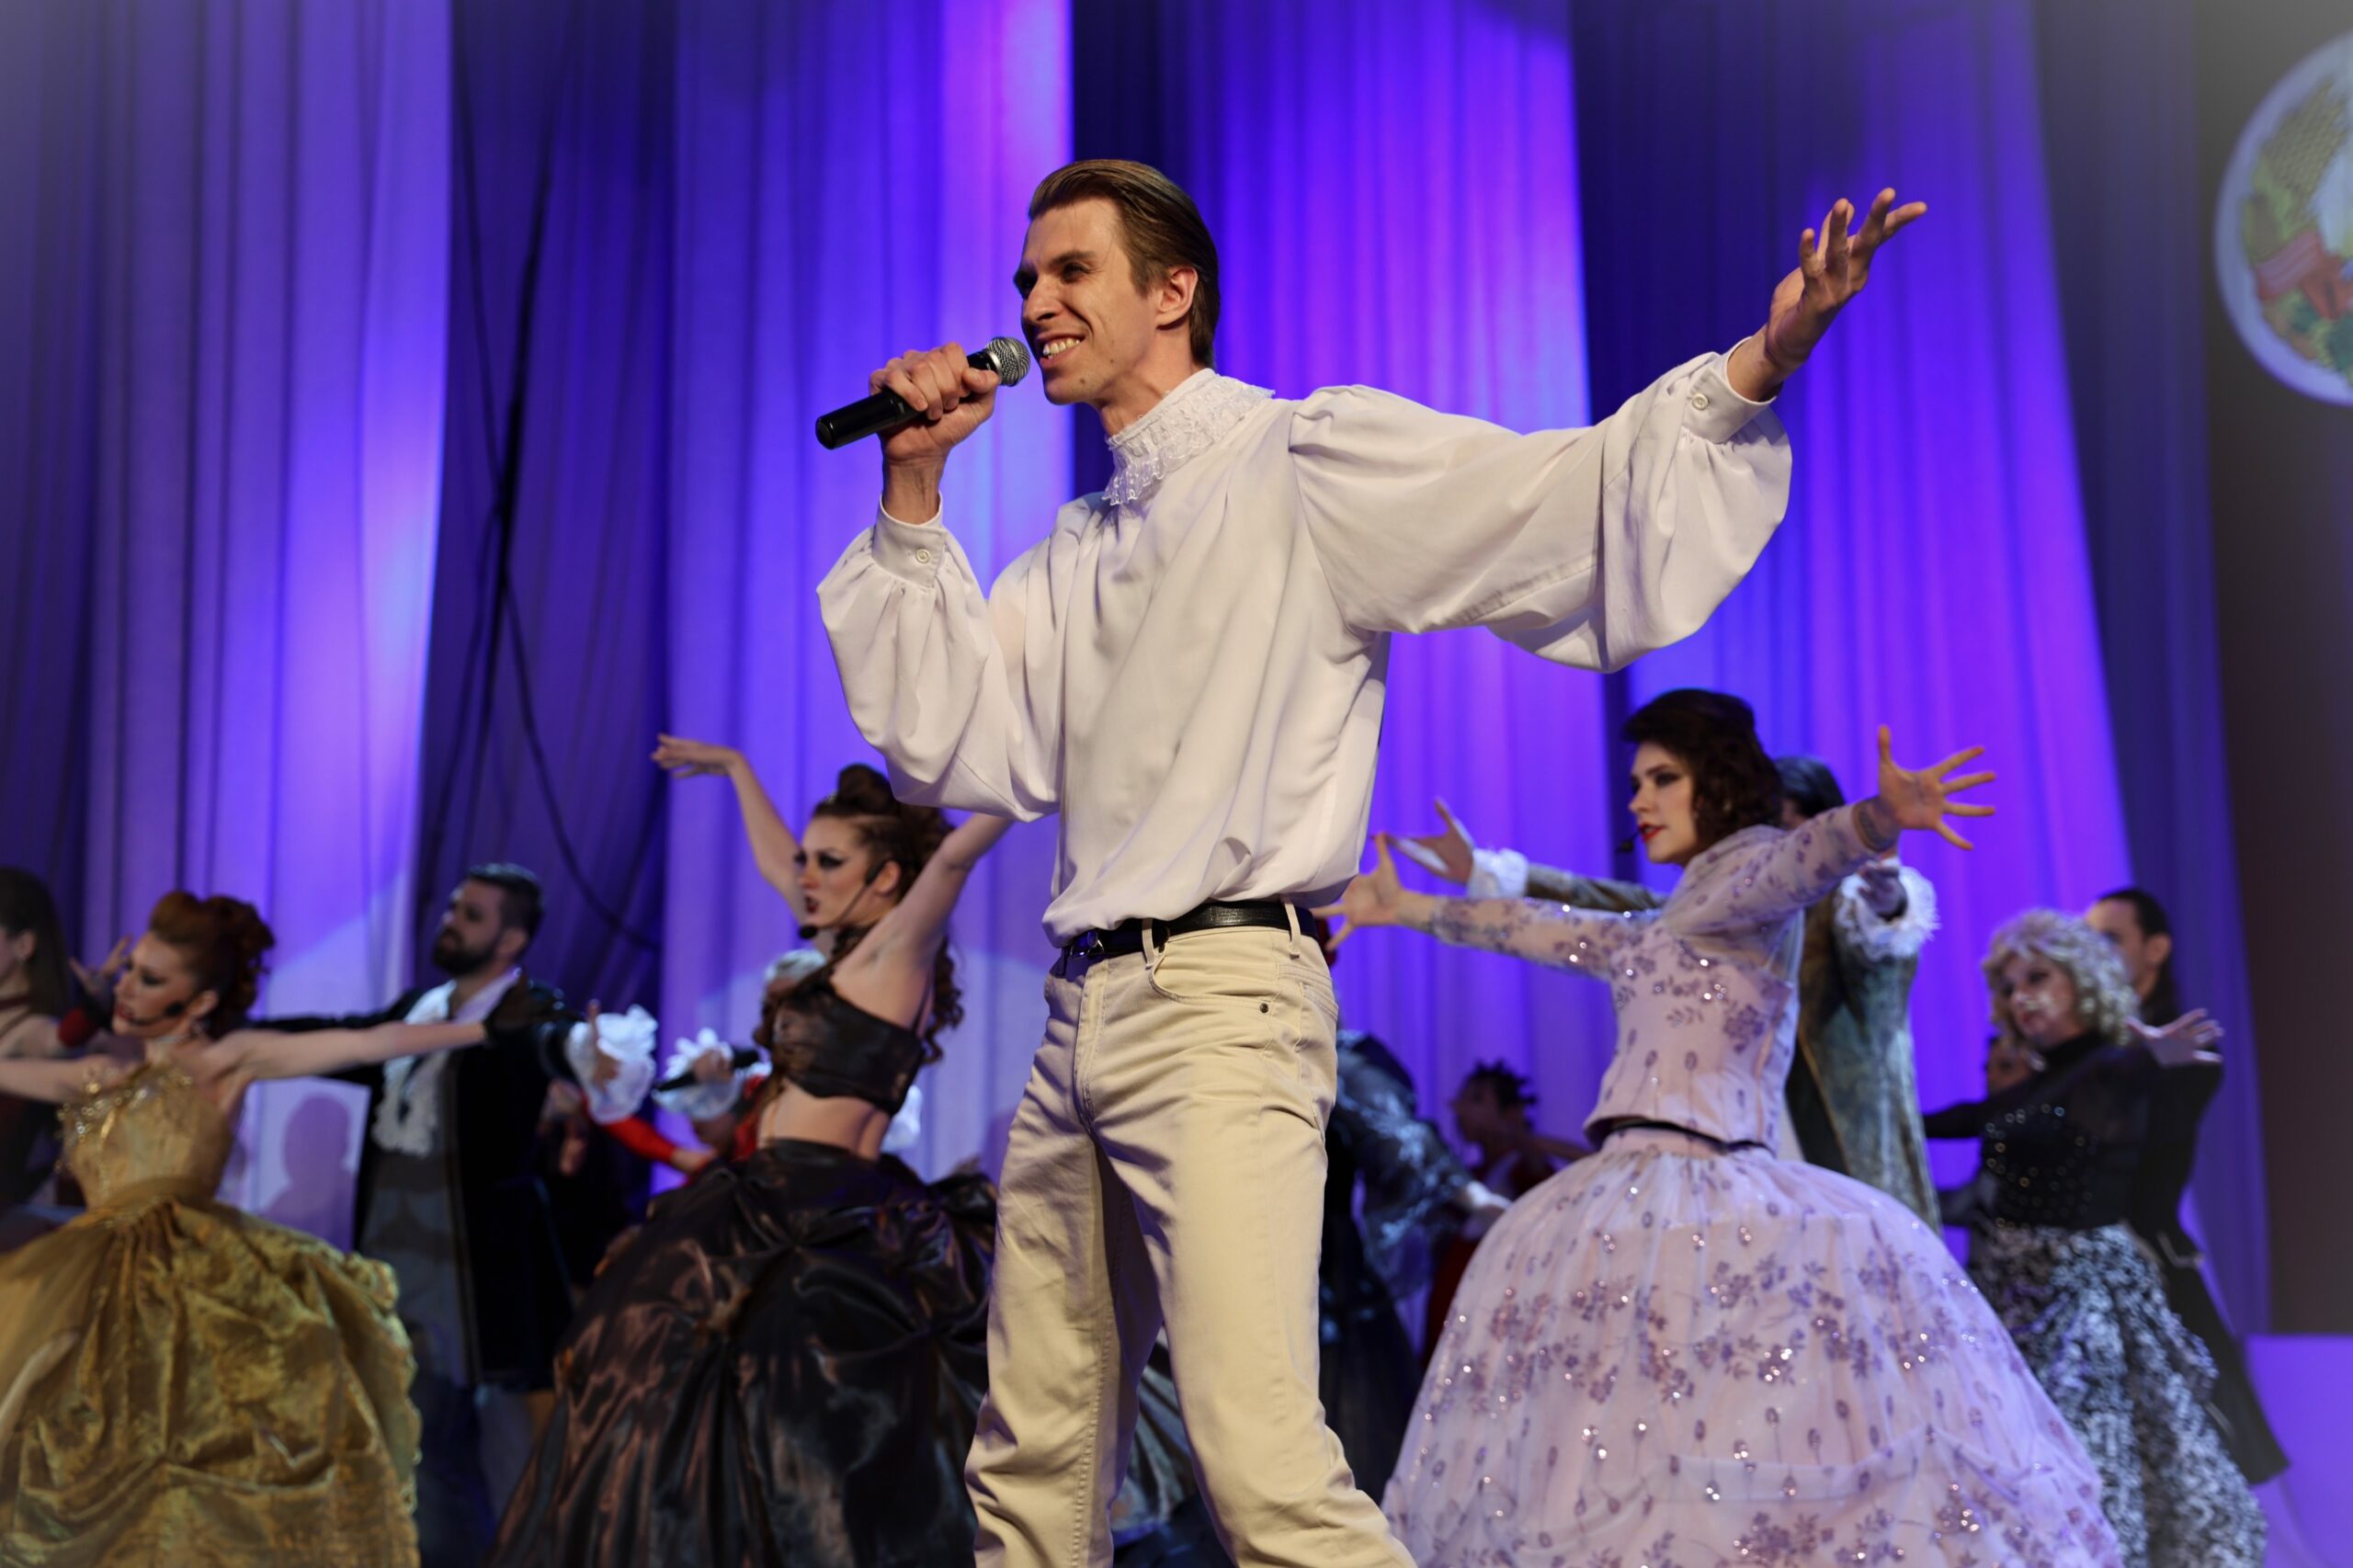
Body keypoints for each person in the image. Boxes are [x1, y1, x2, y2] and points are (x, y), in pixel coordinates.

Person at [818, 153, 1923, 1561]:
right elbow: (953, 748)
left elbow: (1551, 498)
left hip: (1224, 1001)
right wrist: (913, 484)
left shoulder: (1300, 460)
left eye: (1071, 270)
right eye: (1027, 277)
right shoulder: (1075, 548)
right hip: (1080, 1007)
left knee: (1261, 1463)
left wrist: (1764, 358)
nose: (1034, 303)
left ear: (1174, 290)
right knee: (1031, 1461)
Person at [1323, 689, 2120, 1563]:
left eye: (1663, 778)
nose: (1640, 799)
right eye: (1637, 782)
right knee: (1631, 1447)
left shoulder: (1749, 882)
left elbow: (1801, 861)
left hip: (1709, 1181)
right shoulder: (1676, 917)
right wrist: (1408, 908)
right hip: (1632, 1187)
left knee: (1724, 1448)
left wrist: (1877, 819)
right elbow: (1553, 928)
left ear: (1722, 781)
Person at [488, 767, 1011, 1566]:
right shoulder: (841, 952)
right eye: (808, 860)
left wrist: (1028, 775)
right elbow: (778, 866)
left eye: (829, 862)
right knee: (669, 1388)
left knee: (794, 1420)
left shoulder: (898, 952)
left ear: (886, 878)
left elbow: (952, 859)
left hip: (825, 1212)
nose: (805, 877)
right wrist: (736, 768)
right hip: (763, 1197)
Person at [0, 890, 562, 1568]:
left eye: (150, 979)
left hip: (192, 1286)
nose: (125, 989)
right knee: (78, 1456)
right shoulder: (98, 1076)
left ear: (200, 1002)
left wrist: (483, 1031)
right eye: (128, 973)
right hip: (88, 1288)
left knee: (191, 1463)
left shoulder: (223, 1062)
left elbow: (369, 1042)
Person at [1399, 751, 1943, 1223]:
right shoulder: (1727, 912)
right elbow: (1615, 904)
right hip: (1745, 1151)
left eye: (1787, 834)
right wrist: (1490, 872)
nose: (1770, 852)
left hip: (1837, 1160)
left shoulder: (1841, 911)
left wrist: (1886, 898)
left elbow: (1880, 954)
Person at [263, 863, 620, 1568]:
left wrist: (588, 1053)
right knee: (410, 1442)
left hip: (475, 1273)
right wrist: (237, 1040)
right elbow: (343, 1040)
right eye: (455, 908)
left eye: (472, 915)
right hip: (395, 1257)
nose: (451, 921)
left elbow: (552, 1043)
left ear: (511, 940)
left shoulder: (524, 1011)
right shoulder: (423, 1010)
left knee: (475, 1451)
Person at [1924, 911, 2267, 1567]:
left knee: (2085, 1454)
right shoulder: (2039, 1081)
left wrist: (2151, 1056)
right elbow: (1972, 1118)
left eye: (2039, 979)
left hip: (2081, 1301)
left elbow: (2130, 1076)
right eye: (2010, 986)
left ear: (2081, 982)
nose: (2022, 998)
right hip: (2012, 1298)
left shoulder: (2108, 1069)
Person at [2085, 888, 2287, 1484]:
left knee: (2199, 1434)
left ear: (2155, 949)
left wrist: (2136, 1062)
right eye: (2088, 939)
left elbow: (2153, 1143)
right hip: (2075, 1255)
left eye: (2110, 938)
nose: (2095, 951)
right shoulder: (2080, 1047)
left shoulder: (2189, 1048)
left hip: (2147, 1254)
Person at [1419, 1062, 1573, 1358]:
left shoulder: (1521, 1167)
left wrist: (1517, 1134)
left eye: (1476, 1099)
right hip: (1453, 1304)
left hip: (1493, 1307)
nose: (1460, 1108)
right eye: (1462, 1098)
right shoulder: (1468, 1175)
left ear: (1510, 1112)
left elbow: (1540, 1184)